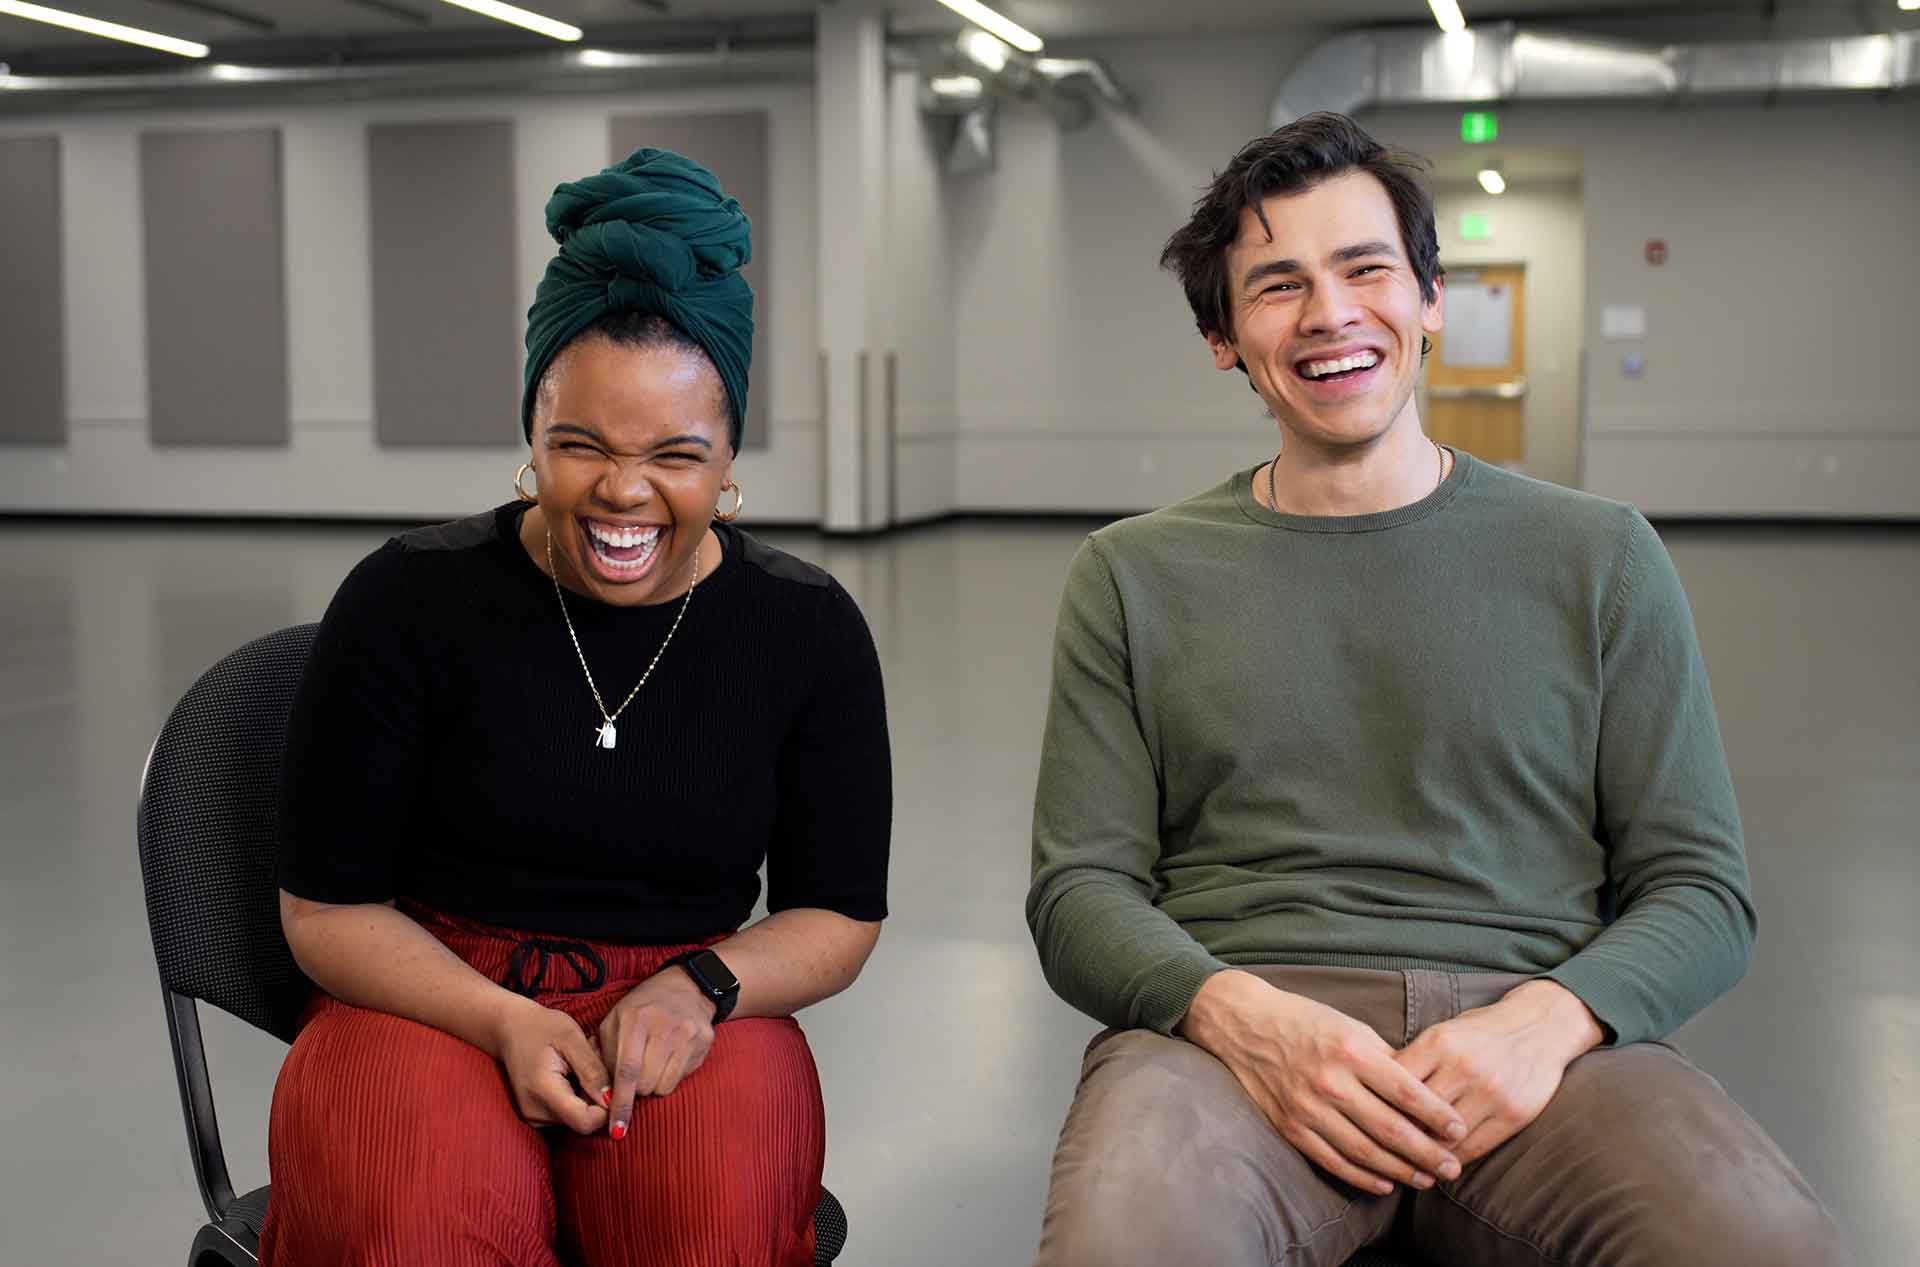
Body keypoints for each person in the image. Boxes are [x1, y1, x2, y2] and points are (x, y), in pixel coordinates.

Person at [1024, 113, 1849, 1267]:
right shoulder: (1133, 574)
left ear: (1429, 299)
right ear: (1224, 338)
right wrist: (1236, 1016)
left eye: (1366, 269)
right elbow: (1080, 893)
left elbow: (1701, 888)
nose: (1330, 314)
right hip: (1238, 1040)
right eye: (1277, 286)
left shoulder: (1600, 557)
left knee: (1764, 1245)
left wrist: (1545, 1022)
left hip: (1542, 1045)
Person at [261, 148, 891, 1267]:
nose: (624, 492)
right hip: (430, 990)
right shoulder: (409, 598)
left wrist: (702, 985)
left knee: (715, 1237)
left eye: (677, 455)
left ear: (731, 457)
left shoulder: (805, 627)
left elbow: (838, 915)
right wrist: (502, 1017)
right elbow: (326, 911)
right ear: (532, 439)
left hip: (688, 994)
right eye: (580, 444)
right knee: (419, 1236)